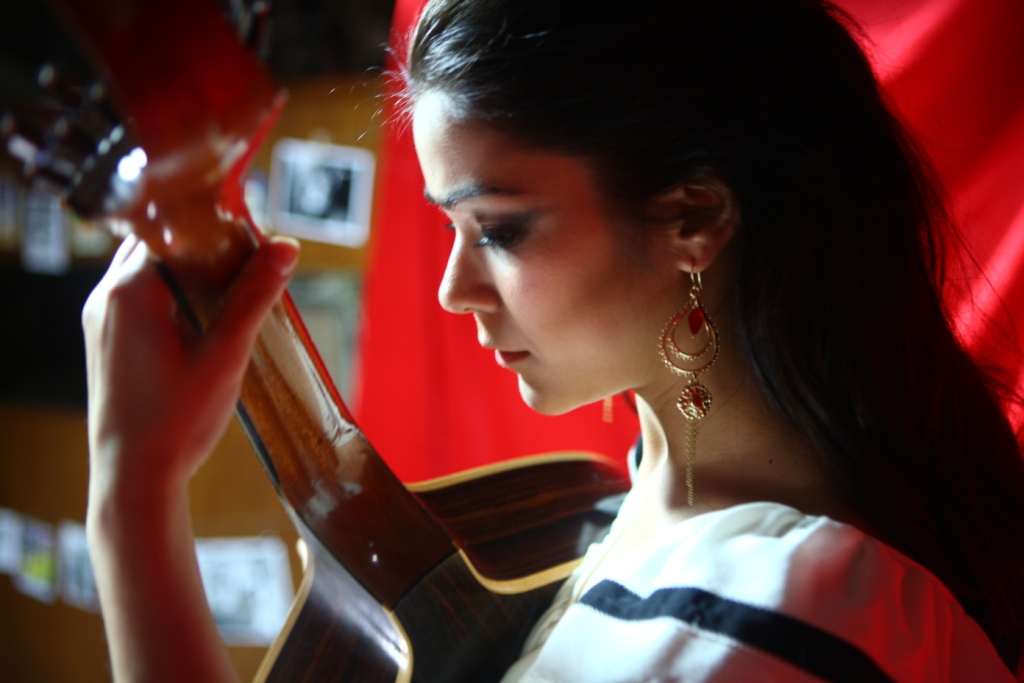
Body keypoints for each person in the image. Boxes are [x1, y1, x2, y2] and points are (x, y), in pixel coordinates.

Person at [83, 0, 1024, 680]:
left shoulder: (759, 633)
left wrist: (130, 499)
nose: (454, 290)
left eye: (498, 227)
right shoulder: (637, 517)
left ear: (693, 214)